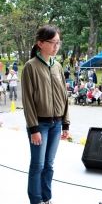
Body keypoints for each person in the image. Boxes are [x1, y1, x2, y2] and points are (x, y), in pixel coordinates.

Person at [21, 25, 70, 204]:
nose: (56, 46)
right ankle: (36, 200)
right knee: (38, 165)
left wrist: (66, 124)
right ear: (40, 43)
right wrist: (33, 128)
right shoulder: (30, 67)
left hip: (56, 125)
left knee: (49, 165)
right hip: (39, 125)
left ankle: (46, 198)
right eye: (52, 42)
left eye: (58, 42)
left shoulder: (57, 66)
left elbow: (64, 97)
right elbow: (27, 100)